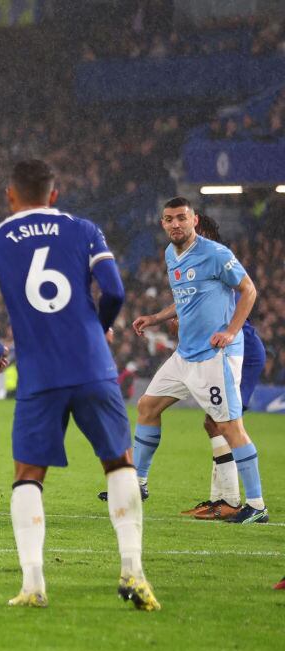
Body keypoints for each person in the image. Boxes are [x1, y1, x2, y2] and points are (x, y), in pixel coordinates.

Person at [0, 159, 158, 610]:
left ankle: (33, 584)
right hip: (93, 366)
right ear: (54, 195)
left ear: (10, 196)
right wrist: (101, 326)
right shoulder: (84, 229)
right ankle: (133, 570)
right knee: (119, 464)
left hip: (39, 374)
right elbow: (113, 290)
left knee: (28, 476)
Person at [126, 198, 267, 524]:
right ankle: (139, 482)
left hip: (214, 357)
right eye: (169, 219)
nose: (175, 224)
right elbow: (183, 299)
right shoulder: (170, 255)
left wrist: (231, 332)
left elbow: (249, 291)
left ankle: (257, 505)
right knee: (147, 406)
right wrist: (156, 318)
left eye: (181, 218)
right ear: (162, 224)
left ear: (194, 220)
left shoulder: (216, 253)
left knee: (230, 427)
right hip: (185, 354)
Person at [176, 214, 267, 520]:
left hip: (240, 348)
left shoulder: (215, 259)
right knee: (212, 423)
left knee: (223, 424)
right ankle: (220, 500)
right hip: (223, 346)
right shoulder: (196, 264)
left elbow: (246, 293)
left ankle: (234, 502)